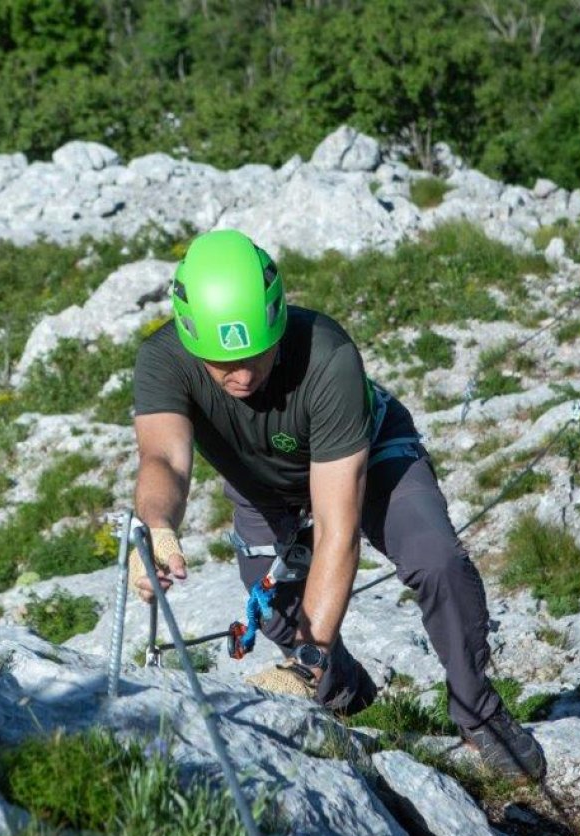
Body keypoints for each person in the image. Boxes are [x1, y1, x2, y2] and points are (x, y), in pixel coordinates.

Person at [126, 229, 546, 781]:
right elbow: (164, 459)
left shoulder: (328, 355)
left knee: (436, 559)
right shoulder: (163, 359)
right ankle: (345, 692)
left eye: (256, 353)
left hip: (368, 458)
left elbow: (337, 527)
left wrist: (305, 660)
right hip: (265, 489)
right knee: (275, 609)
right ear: (189, 339)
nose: (243, 375)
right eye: (222, 362)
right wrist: (155, 524)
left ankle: (479, 713)